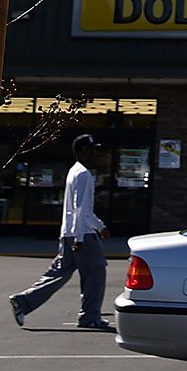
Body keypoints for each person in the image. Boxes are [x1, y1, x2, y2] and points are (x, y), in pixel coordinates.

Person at [9, 134, 113, 331]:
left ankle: (23, 302)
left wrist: (99, 226)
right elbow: (80, 209)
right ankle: (90, 317)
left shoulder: (75, 172)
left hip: (70, 233)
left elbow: (80, 210)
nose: (95, 153)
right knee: (96, 272)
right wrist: (82, 237)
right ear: (81, 151)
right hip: (82, 234)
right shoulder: (83, 174)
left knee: (60, 273)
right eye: (91, 149)